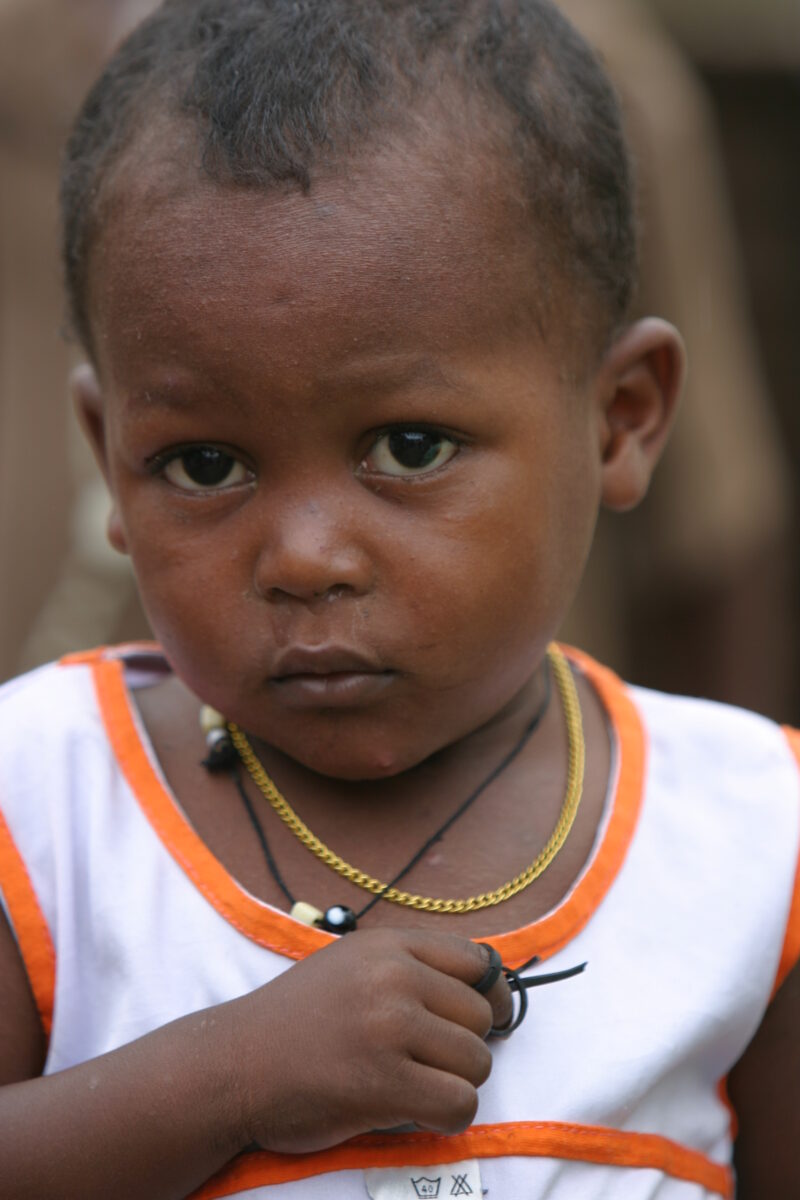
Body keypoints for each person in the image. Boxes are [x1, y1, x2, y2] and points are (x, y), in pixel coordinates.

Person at [0, 2, 797, 1197]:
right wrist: (229, 1080)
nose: (307, 557)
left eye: (409, 447)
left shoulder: (748, 841)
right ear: (108, 453)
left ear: (621, 418)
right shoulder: (43, 809)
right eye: (205, 465)